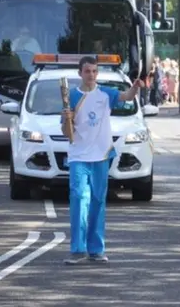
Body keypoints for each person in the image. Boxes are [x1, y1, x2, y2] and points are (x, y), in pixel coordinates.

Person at [61, 56, 143, 264]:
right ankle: (78, 249)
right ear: (80, 73)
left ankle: (96, 249)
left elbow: (126, 96)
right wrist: (67, 117)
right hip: (79, 155)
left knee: (98, 200)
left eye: (94, 71)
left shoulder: (106, 93)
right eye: (87, 71)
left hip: (101, 155)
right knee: (79, 197)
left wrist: (135, 87)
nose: (91, 75)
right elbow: (65, 131)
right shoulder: (70, 96)